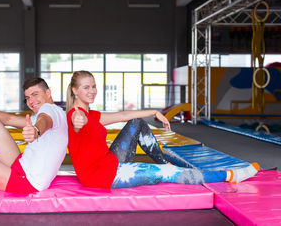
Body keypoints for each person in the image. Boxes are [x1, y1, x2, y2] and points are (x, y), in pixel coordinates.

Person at [66, 70, 260, 189]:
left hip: (108, 162)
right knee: (168, 173)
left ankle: (161, 159)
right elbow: (77, 120)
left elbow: (124, 115)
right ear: (75, 90)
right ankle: (230, 175)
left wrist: (155, 112)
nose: (92, 91)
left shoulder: (93, 115)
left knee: (136, 123)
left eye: (93, 86)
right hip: (103, 177)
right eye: (86, 87)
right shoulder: (76, 114)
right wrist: (78, 120)